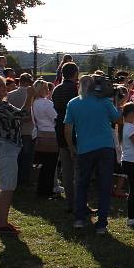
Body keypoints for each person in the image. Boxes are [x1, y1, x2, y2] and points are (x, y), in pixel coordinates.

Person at [0, 75, 34, 234]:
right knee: (7, 188)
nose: (6, 88)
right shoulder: (1, 106)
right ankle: (2, 223)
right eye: (2, 86)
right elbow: (24, 115)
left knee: (6, 187)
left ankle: (2, 221)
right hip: (5, 147)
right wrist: (29, 96)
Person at [65, 74, 120, 234]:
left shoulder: (73, 103)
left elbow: (67, 128)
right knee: (104, 184)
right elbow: (117, 119)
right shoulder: (104, 102)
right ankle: (102, 223)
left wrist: (71, 147)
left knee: (82, 184)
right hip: (105, 147)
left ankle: (79, 219)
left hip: (85, 148)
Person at [53, 62, 79, 213]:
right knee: (78, 169)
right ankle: (78, 202)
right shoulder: (75, 89)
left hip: (60, 130)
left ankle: (70, 202)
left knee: (67, 170)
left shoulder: (56, 89)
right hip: (74, 129)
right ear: (75, 73)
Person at [31, 80, 59, 198]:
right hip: (51, 134)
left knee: (43, 165)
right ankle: (47, 190)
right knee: (51, 165)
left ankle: (42, 189)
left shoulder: (34, 103)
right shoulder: (46, 103)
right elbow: (55, 117)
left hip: (41, 133)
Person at [6, 73, 35, 186]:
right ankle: (25, 180)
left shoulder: (9, 95)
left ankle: (14, 179)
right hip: (28, 130)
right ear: (29, 82)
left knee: (15, 157)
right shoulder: (33, 95)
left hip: (14, 130)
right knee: (27, 158)